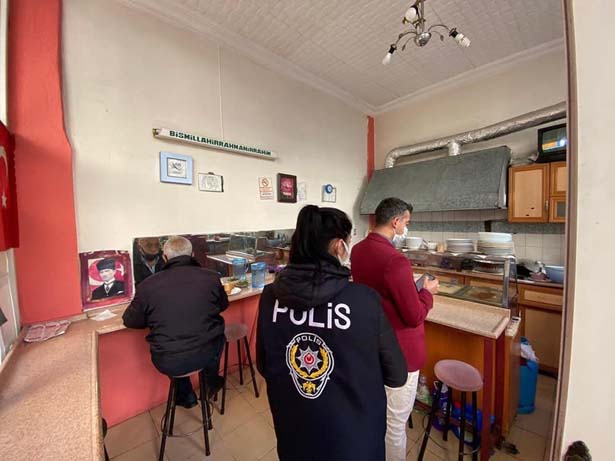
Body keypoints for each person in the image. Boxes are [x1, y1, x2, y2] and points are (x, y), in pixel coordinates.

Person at [257, 205, 408, 461]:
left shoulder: (271, 297)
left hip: (295, 433)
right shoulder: (363, 300)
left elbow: (264, 364)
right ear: (339, 246)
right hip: (355, 440)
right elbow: (396, 375)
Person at [351, 197, 439, 461]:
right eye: (406, 222)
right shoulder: (395, 260)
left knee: (377, 414)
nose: (406, 228)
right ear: (395, 221)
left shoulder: (358, 250)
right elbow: (413, 316)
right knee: (395, 425)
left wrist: (412, 288)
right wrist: (428, 293)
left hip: (370, 346)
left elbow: (381, 294)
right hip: (400, 352)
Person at [122, 235, 228, 408]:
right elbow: (223, 306)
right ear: (192, 255)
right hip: (208, 354)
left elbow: (131, 321)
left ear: (164, 257)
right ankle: (210, 382)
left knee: (175, 351)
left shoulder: (147, 286)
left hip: (167, 361)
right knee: (217, 337)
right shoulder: (211, 277)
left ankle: (186, 396)